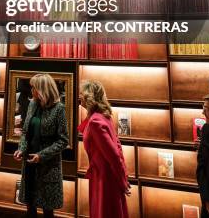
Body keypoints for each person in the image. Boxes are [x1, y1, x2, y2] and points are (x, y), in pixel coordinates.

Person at [13, 73, 69, 217]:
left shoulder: (59, 109)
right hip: (30, 164)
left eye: (34, 88)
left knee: (47, 210)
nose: (31, 91)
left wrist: (41, 156)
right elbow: (25, 131)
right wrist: (21, 149)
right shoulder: (32, 104)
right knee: (30, 207)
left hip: (48, 167)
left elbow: (63, 140)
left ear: (43, 89)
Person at [78, 80, 130, 218]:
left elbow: (113, 154)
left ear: (90, 96)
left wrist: (122, 180)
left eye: (82, 93)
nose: (79, 96)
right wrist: (123, 175)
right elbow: (117, 148)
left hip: (104, 177)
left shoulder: (96, 121)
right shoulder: (103, 117)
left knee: (105, 212)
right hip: (106, 174)